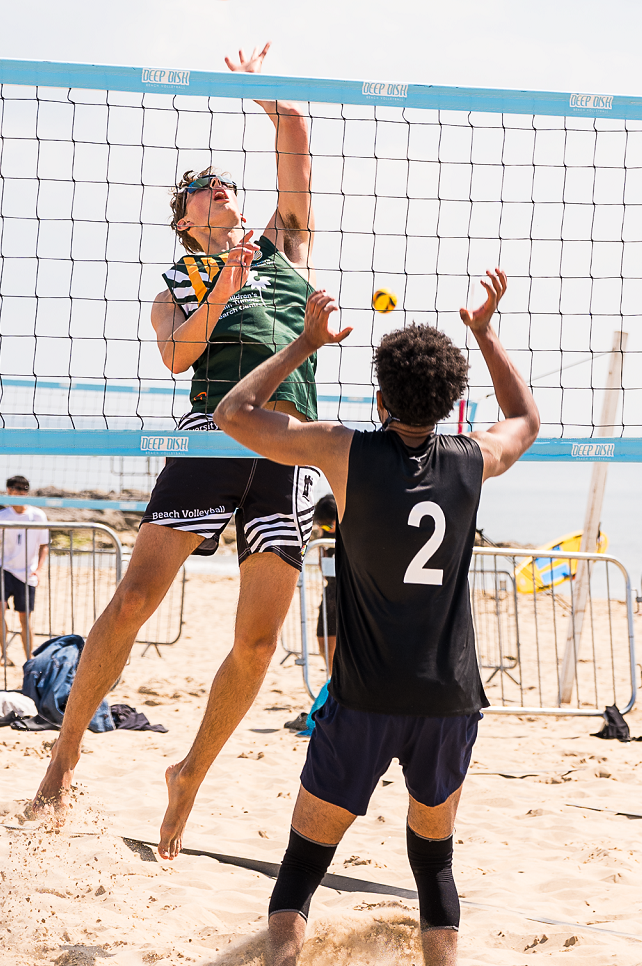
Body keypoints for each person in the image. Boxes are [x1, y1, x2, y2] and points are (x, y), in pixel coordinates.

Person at [32, 42, 319, 858]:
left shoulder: (285, 247)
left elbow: (296, 127)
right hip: (215, 437)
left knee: (259, 642)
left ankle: (187, 773)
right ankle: (65, 755)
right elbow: (177, 357)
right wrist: (223, 286)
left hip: (290, 445)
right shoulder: (176, 284)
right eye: (201, 188)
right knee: (132, 603)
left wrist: (263, 91)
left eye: (221, 181)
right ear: (186, 218)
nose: (217, 186)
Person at [213, 271, 539, 966]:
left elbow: (234, 414)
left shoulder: (344, 449)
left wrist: (305, 341)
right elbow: (527, 421)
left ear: (381, 396)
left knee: (302, 867)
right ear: (455, 403)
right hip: (448, 700)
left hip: (363, 698)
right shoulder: (475, 458)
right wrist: (483, 331)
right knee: (434, 863)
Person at [0, 475, 51, 665]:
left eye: (24, 488)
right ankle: (4, 654)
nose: (21, 492)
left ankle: (29, 659)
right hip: (4, 570)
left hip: (27, 573)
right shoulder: (0, 516)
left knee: (25, 618)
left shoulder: (38, 516)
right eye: (17, 488)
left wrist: (38, 570)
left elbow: (44, 545)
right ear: (9, 490)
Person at [309, 493, 339, 674]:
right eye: (322, 525)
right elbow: (322, 567)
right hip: (331, 590)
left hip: (351, 591)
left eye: (328, 524)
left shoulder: (349, 531)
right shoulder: (325, 535)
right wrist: (321, 537)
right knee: (323, 637)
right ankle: (331, 676)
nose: (326, 528)